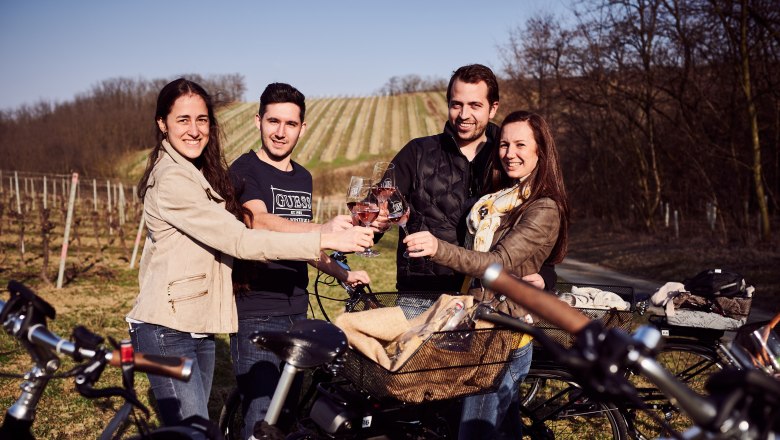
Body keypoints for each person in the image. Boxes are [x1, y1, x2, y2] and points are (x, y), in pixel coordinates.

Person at [126, 78, 373, 426]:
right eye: (183, 120)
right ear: (162, 124)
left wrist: (341, 271)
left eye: (201, 120)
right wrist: (322, 234)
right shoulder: (175, 180)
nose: (194, 130)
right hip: (171, 325)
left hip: (195, 323)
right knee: (216, 426)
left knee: (251, 421)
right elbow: (247, 234)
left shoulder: (196, 173)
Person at [404, 110, 570, 438]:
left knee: (474, 432)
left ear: (540, 151)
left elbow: (497, 264)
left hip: (504, 335)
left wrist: (438, 248)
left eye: (521, 145)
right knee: (503, 431)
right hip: (480, 325)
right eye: (504, 144)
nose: (510, 153)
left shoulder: (543, 207)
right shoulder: (496, 201)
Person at [228, 82, 370, 438]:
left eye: (290, 123)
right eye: (273, 121)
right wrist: (324, 230)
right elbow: (259, 222)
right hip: (256, 310)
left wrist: (342, 273)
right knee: (262, 417)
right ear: (258, 121)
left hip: (297, 310)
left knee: (287, 416)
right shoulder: (244, 170)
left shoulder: (303, 177)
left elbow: (303, 243)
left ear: (302, 128)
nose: (280, 132)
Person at [385, 64, 555, 293]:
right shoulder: (417, 152)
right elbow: (378, 209)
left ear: (493, 108)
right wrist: (349, 245)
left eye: (475, 105)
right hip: (421, 293)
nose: (464, 115)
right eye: (457, 105)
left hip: (483, 296)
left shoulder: (509, 158)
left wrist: (546, 275)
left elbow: (538, 231)